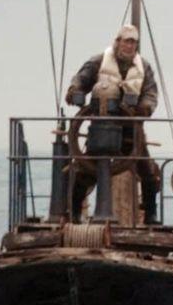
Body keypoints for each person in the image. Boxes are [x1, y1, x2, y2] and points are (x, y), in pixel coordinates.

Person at [66, 25, 162, 224]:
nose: (129, 46)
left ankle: (151, 215)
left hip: (131, 128)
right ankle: (73, 213)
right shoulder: (98, 61)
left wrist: (143, 109)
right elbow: (80, 80)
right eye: (126, 41)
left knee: (148, 171)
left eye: (133, 42)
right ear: (117, 41)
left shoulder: (144, 67)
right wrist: (74, 92)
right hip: (101, 128)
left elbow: (150, 94)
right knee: (85, 171)